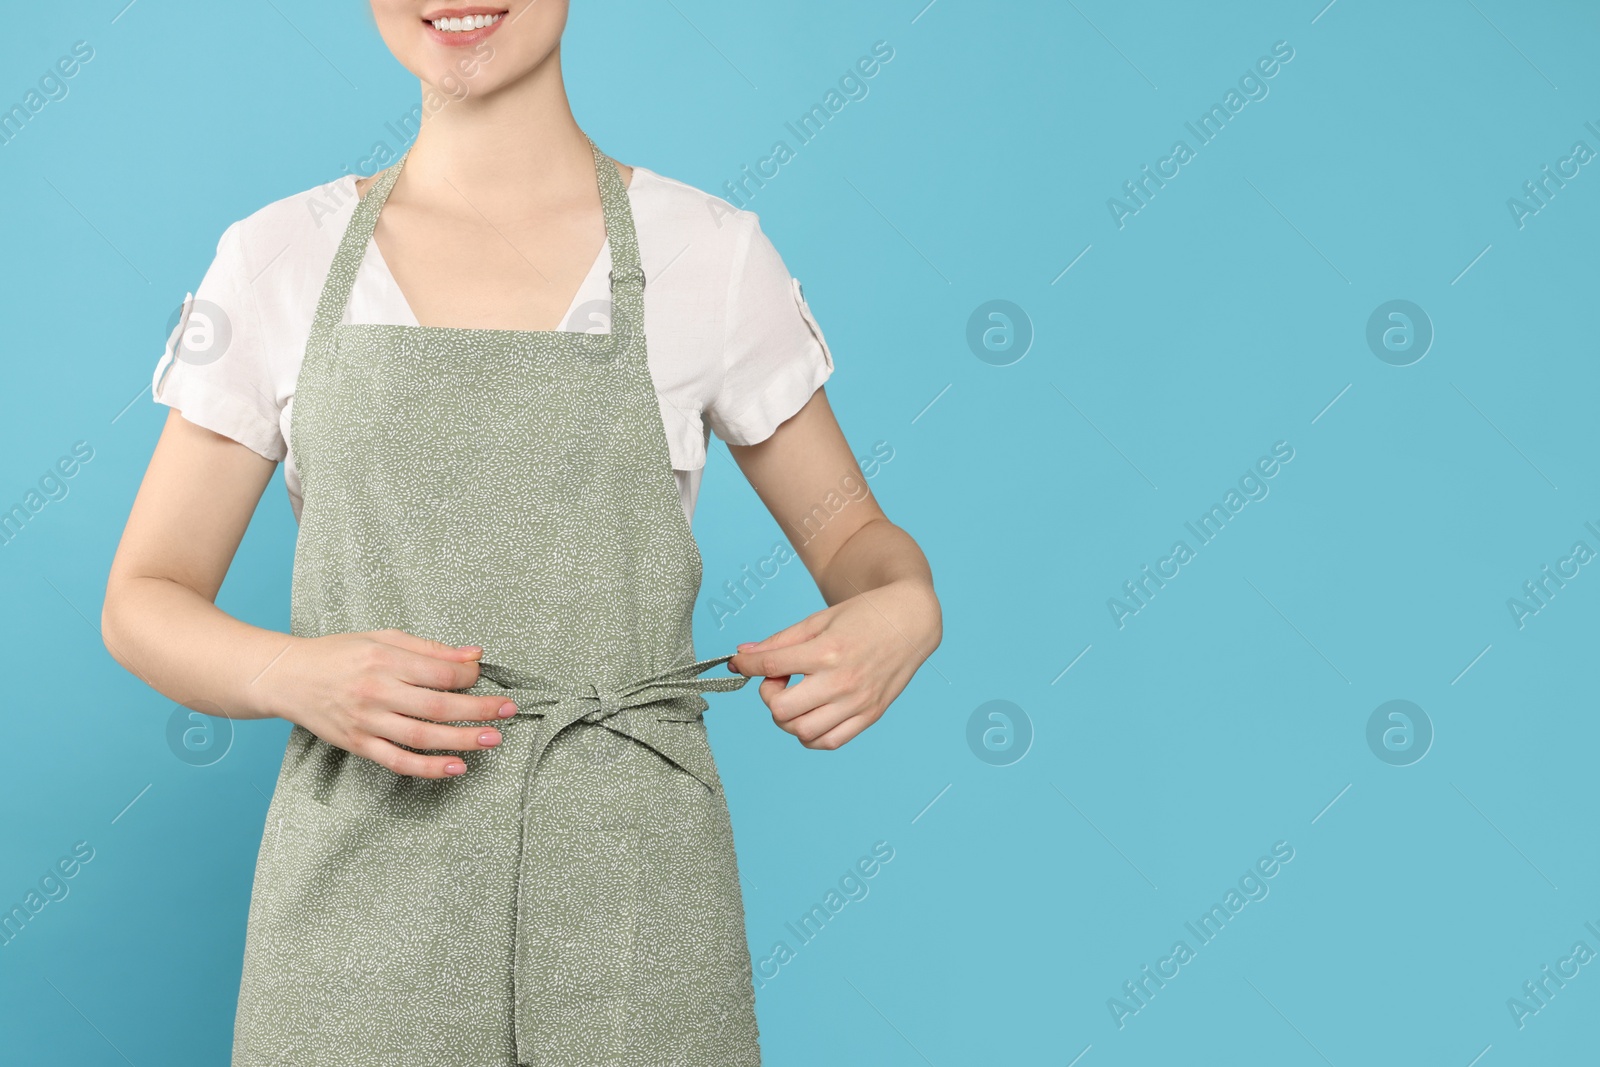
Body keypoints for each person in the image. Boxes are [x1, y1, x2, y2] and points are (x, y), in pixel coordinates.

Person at [101, 3, 941, 1064]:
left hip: (638, 909)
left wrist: (905, 604)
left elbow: (855, 538)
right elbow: (145, 594)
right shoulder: (275, 258)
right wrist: (290, 673)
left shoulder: (711, 255)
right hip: (354, 916)